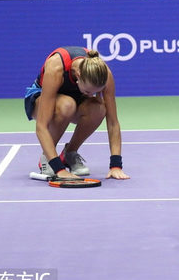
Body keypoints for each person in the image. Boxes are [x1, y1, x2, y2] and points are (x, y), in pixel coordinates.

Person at [25, 46, 129, 180]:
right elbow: (41, 126)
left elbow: (113, 122)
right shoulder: (56, 68)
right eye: (88, 91)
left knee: (98, 108)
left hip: (75, 98)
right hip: (40, 98)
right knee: (67, 105)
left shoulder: (104, 74)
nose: (91, 95)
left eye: (95, 92)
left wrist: (116, 166)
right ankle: (48, 157)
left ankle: (69, 153)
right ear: (78, 76)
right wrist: (59, 169)